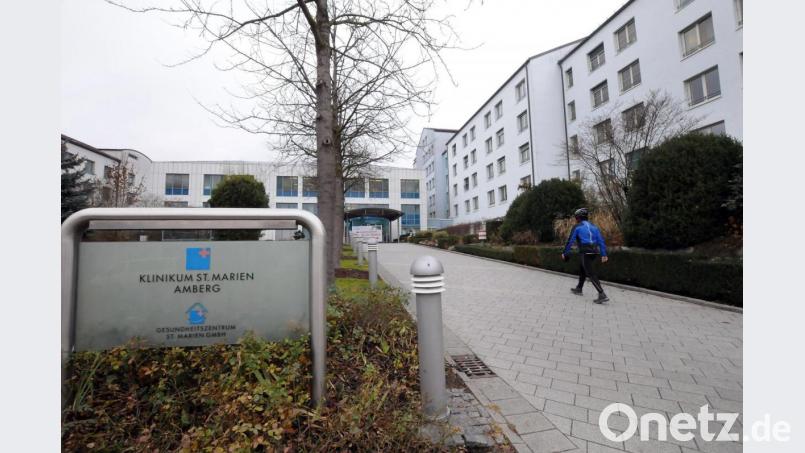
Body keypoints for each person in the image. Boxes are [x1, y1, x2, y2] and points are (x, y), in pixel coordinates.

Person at [562, 208, 610, 303]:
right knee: (582, 267)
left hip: (585, 252)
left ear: (578, 218)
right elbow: (601, 241)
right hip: (594, 252)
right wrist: (604, 254)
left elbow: (570, 241)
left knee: (590, 273)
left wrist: (565, 253)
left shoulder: (577, 227)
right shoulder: (594, 227)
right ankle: (579, 288)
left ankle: (602, 294)